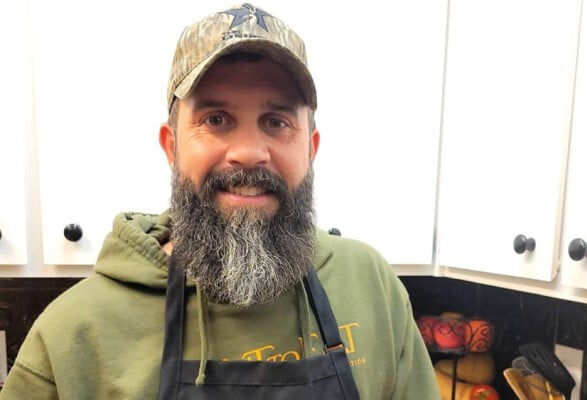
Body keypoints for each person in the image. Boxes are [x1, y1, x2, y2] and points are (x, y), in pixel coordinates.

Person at [0, 4, 440, 399]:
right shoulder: (70, 340)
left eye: (276, 121)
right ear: (171, 146)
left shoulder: (372, 287)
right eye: (216, 119)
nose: (249, 151)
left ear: (312, 147)